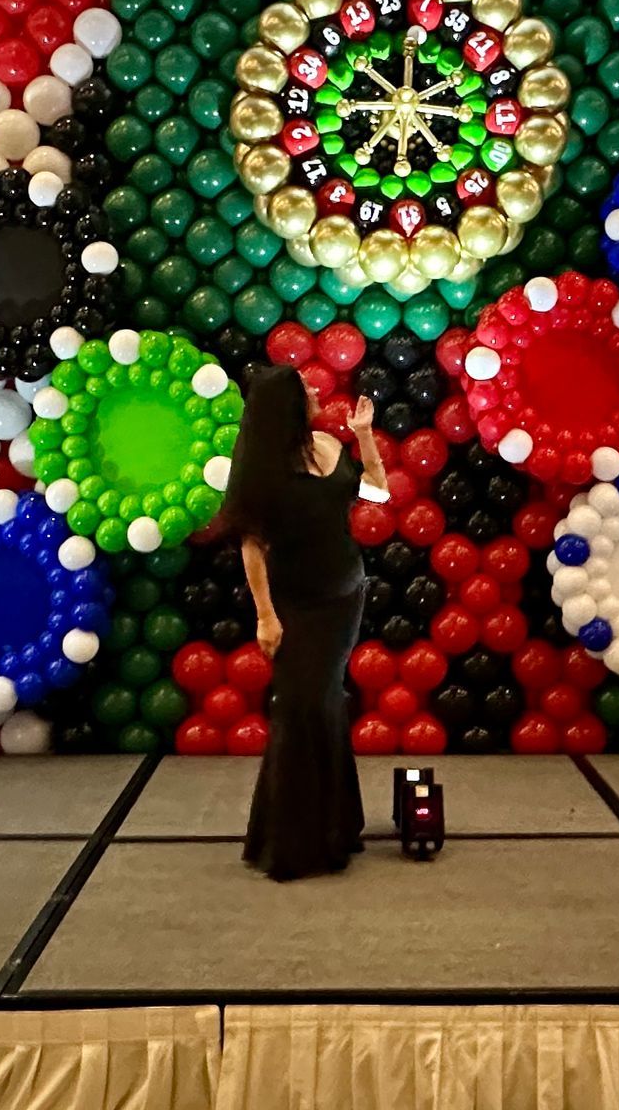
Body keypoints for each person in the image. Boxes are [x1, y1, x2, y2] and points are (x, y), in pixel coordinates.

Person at [220, 363, 388, 881]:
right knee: (300, 708)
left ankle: (335, 826)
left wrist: (364, 438)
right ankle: (291, 840)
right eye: (306, 390)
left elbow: (377, 493)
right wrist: (265, 616)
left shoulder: (328, 445)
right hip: (294, 604)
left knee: (325, 704)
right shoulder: (264, 467)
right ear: (287, 405)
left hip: (343, 597)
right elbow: (252, 547)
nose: (316, 392)